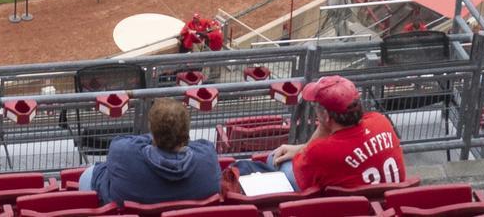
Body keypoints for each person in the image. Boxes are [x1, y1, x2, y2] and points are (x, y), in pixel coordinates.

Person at [243, 75, 407, 192]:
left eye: (317, 109)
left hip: (349, 209)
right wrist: (303, 147)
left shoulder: (322, 152)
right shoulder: (380, 121)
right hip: (386, 207)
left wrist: (317, 132)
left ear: (327, 117)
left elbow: (302, 177)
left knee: (274, 159)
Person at [85, 99, 220, 206]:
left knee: (86, 176)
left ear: (152, 130)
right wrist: (173, 136)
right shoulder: (208, 158)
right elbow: (200, 146)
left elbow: (120, 142)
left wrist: (157, 136)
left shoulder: (123, 153)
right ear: (186, 131)